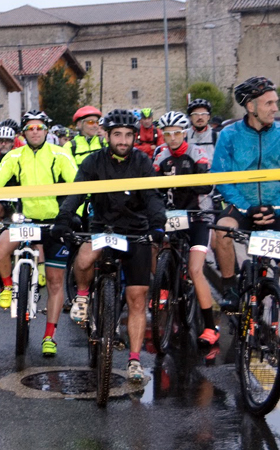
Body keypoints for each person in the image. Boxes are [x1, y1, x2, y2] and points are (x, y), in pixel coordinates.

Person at [52, 109, 166, 381]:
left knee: (137, 299)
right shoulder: (93, 161)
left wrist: (158, 224)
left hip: (134, 229)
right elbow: (76, 192)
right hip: (102, 226)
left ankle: (135, 360)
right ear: (107, 135)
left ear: (135, 137)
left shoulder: (142, 161)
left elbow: (152, 196)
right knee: (84, 258)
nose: (123, 140)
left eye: (128, 135)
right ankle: (82, 296)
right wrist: (64, 218)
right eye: (118, 135)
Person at [0, 110, 77, 357]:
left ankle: (49, 337)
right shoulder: (15, 156)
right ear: (23, 133)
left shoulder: (60, 154)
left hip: (55, 223)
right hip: (27, 220)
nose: (35, 131)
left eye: (39, 127)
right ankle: (6, 287)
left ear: (46, 131)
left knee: (55, 282)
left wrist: (78, 214)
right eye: (30, 128)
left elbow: (79, 186)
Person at [211, 76, 280, 311]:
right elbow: (220, 176)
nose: (275, 108)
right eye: (269, 103)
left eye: (276, 102)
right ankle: (229, 287)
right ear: (251, 107)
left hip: (276, 205)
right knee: (222, 231)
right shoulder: (229, 135)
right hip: (242, 205)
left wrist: (276, 207)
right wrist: (245, 207)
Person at [153, 111, 219, 344]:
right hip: (172, 215)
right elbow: (153, 188)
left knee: (195, 270)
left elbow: (204, 186)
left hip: (198, 217)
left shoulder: (197, 153)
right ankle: (161, 284)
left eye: (177, 133)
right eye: (167, 134)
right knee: (154, 243)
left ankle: (210, 327)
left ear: (185, 133)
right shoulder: (160, 155)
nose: (172, 138)